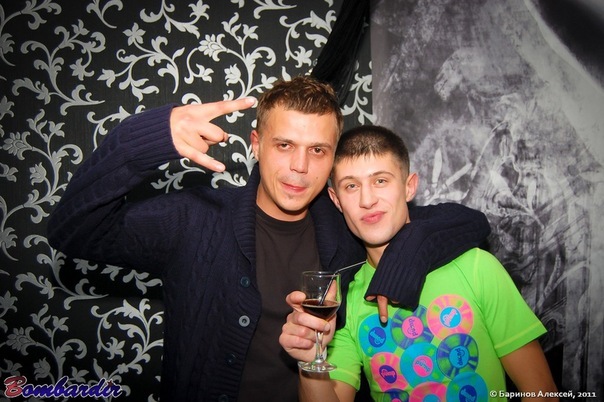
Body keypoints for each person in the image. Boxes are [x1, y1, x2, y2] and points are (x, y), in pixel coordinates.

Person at [47, 77, 490, 401]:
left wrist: (405, 255)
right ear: (256, 144)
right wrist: (145, 138)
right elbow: (72, 230)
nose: (300, 166)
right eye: (284, 145)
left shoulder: (347, 227)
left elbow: (467, 222)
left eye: (318, 150)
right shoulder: (195, 219)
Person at [280, 125, 558, 401]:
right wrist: (310, 358)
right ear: (336, 200)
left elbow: (541, 392)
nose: (367, 200)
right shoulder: (346, 297)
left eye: (380, 181)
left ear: (409, 187)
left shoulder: (476, 267)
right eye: (351, 186)